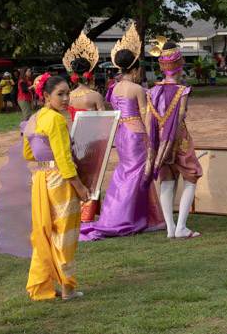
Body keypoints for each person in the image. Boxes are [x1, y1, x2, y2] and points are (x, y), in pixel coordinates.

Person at [80, 26, 165, 241]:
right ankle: (127, 217)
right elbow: (146, 116)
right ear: (135, 69)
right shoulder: (137, 90)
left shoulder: (114, 88)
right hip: (136, 133)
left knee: (125, 173)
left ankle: (138, 216)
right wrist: (151, 139)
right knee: (137, 174)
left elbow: (114, 111)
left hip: (121, 133)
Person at [23, 74, 91, 300]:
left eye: (66, 93)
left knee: (46, 232)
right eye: (59, 94)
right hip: (59, 182)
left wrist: (44, 167)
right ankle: (67, 288)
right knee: (65, 233)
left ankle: (51, 284)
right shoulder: (56, 120)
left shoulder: (35, 118)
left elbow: (28, 154)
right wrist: (79, 186)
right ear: (46, 96)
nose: (65, 98)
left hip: (41, 181)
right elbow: (64, 158)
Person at [145, 40, 203, 239]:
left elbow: (148, 120)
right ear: (179, 65)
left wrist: (155, 147)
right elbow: (178, 119)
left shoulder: (152, 92)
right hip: (179, 139)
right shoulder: (182, 91)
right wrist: (173, 141)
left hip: (158, 140)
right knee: (191, 176)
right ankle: (181, 227)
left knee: (167, 181)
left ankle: (171, 228)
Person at [61, 33, 106, 222]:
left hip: (73, 137)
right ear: (90, 72)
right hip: (93, 140)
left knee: (78, 175)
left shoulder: (68, 96)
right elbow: (105, 120)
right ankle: (88, 213)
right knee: (94, 176)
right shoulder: (94, 95)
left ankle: (76, 211)